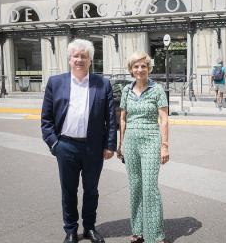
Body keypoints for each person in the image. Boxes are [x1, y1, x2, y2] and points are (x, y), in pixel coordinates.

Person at [41, 39, 116, 243]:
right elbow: (46, 119)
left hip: (93, 147)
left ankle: (90, 227)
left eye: (84, 56)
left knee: (91, 190)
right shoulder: (55, 83)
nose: (79, 59)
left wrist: (110, 145)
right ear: (69, 59)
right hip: (65, 145)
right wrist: (54, 144)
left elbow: (111, 118)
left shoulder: (103, 84)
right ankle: (71, 230)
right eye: (76, 56)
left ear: (90, 60)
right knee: (68, 191)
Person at [117, 51, 169, 243]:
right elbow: (123, 119)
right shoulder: (126, 91)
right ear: (131, 70)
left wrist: (164, 146)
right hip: (130, 142)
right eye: (136, 66)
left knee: (149, 188)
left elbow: (164, 119)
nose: (139, 69)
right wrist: (120, 144)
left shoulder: (157, 90)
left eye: (143, 66)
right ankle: (138, 231)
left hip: (150, 140)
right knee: (135, 186)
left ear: (148, 68)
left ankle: (155, 235)